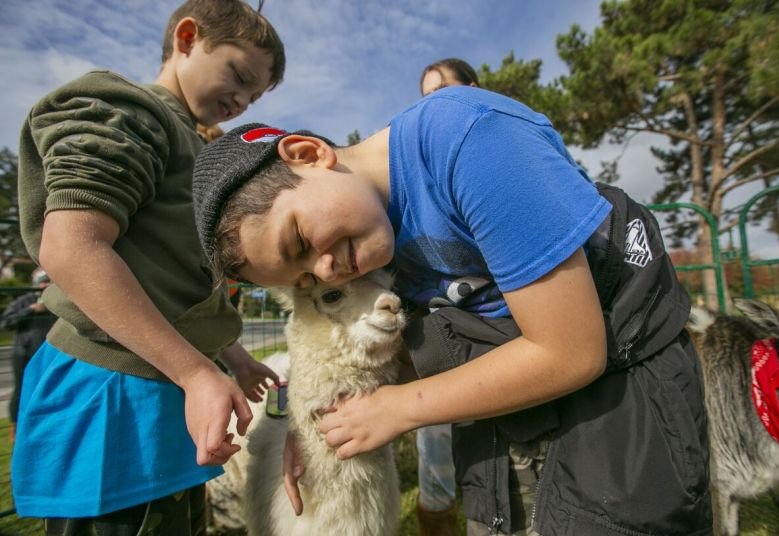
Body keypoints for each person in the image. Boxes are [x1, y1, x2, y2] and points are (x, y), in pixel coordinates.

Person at [191, 85, 712, 535]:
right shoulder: (370, 236)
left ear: (307, 153)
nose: (327, 271)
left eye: (301, 239)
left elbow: (571, 351)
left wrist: (398, 409)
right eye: (306, 280)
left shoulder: (467, 140)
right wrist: (311, 431)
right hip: (502, 418)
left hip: (622, 412)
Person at [12, 1, 285, 533]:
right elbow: (71, 248)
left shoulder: (198, 147)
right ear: (187, 38)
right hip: (112, 400)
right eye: (239, 74)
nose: (240, 100)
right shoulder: (128, 111)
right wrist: (196, 370)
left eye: (253, 96)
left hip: (166, 396)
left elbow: (177, 280)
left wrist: (233, 358)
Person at [410, 56, 482, 536]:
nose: (430, 107)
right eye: (424, 98)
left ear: (473, 89)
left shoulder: (491, 152)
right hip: (439, 339)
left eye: (441, 92)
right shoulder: (422, 173)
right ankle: (437, 519)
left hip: (493, 337)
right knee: (434, 443)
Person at [0, 268, 56, 442]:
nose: (45, 285)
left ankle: (44, 426)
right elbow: (5, 323)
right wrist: (31, 310)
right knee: (20, 390)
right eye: (43, 281)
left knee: (48, 389)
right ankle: (15, 427)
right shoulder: (24, 300)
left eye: (49, 281)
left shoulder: (56, 304)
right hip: (23, 353)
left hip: (48, 354)